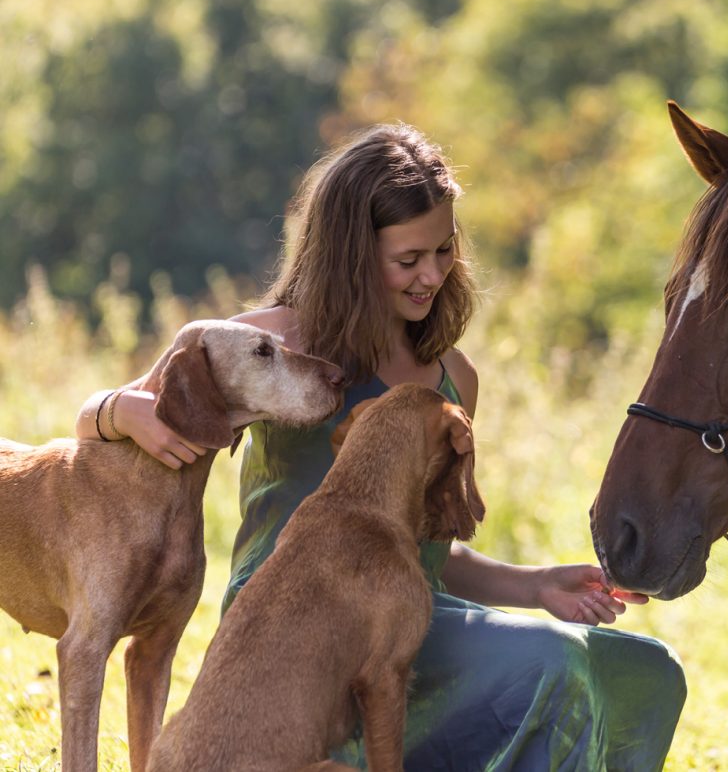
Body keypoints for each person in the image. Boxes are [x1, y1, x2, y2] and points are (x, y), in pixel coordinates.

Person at [76, 123, 685, 769]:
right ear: (351, 255)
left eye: (444, 251)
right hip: (300, 623)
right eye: (408, 259)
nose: (431, 275)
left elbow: (424, 554)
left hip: (408, 615)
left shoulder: (454, 377)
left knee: (647, 674)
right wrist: (121, 411)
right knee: (552, 664)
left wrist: (534, 586)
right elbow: (95, 418)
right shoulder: (269, 344)